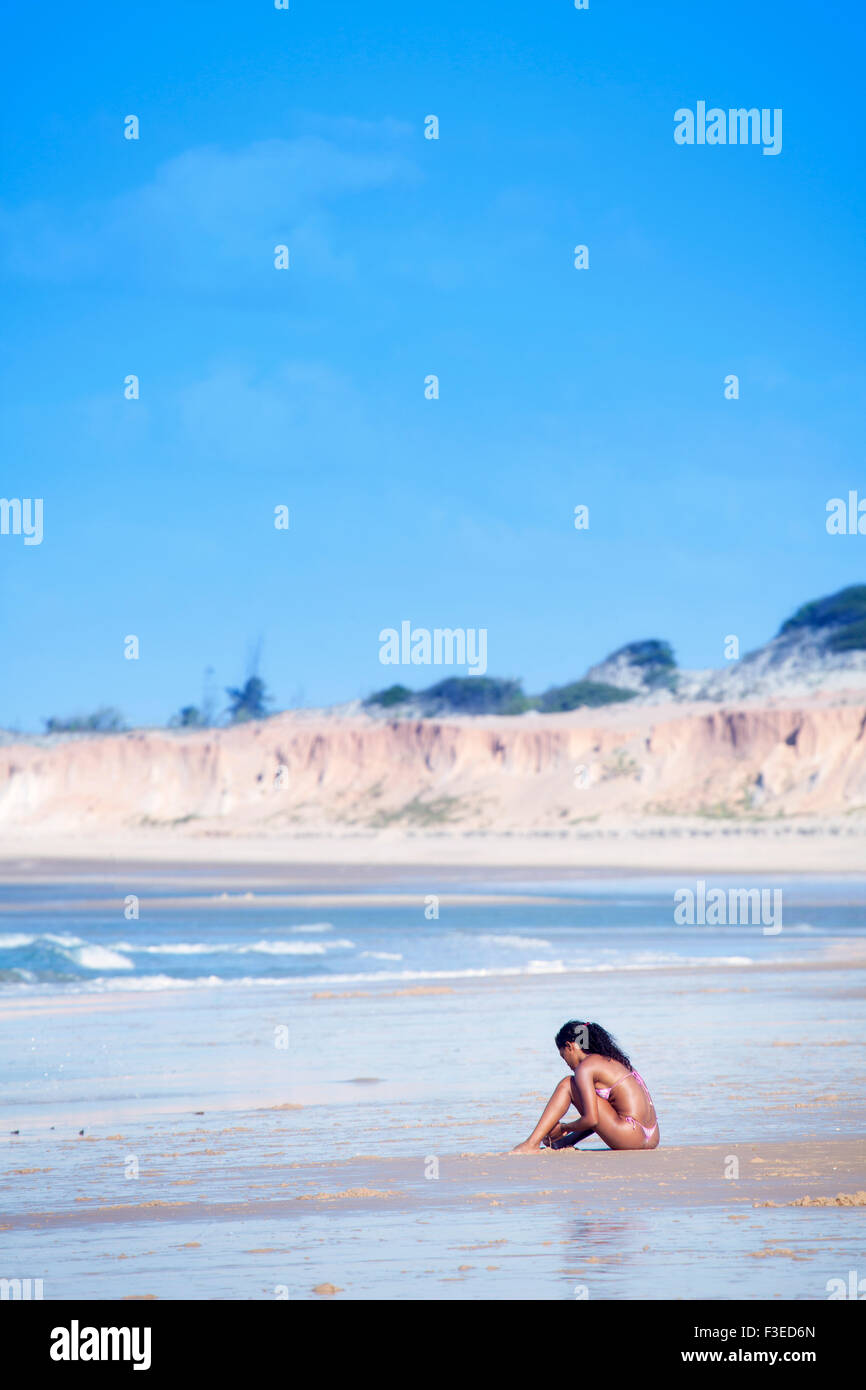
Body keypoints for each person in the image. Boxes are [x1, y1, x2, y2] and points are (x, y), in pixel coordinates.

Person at [510, 1019, 659, 1153]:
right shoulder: (614, 1060)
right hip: (652, 1137)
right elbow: (600, 1118)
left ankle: (531, 1143)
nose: (566, 1063)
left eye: (563, 1056)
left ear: (570, 1046)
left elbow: (592, 1119)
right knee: (592, 1102)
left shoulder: (586, 1067)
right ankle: (564, 1142)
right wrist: (566, 1138)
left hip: (630, 1136)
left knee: (568, 1083)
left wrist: (563, 1128)